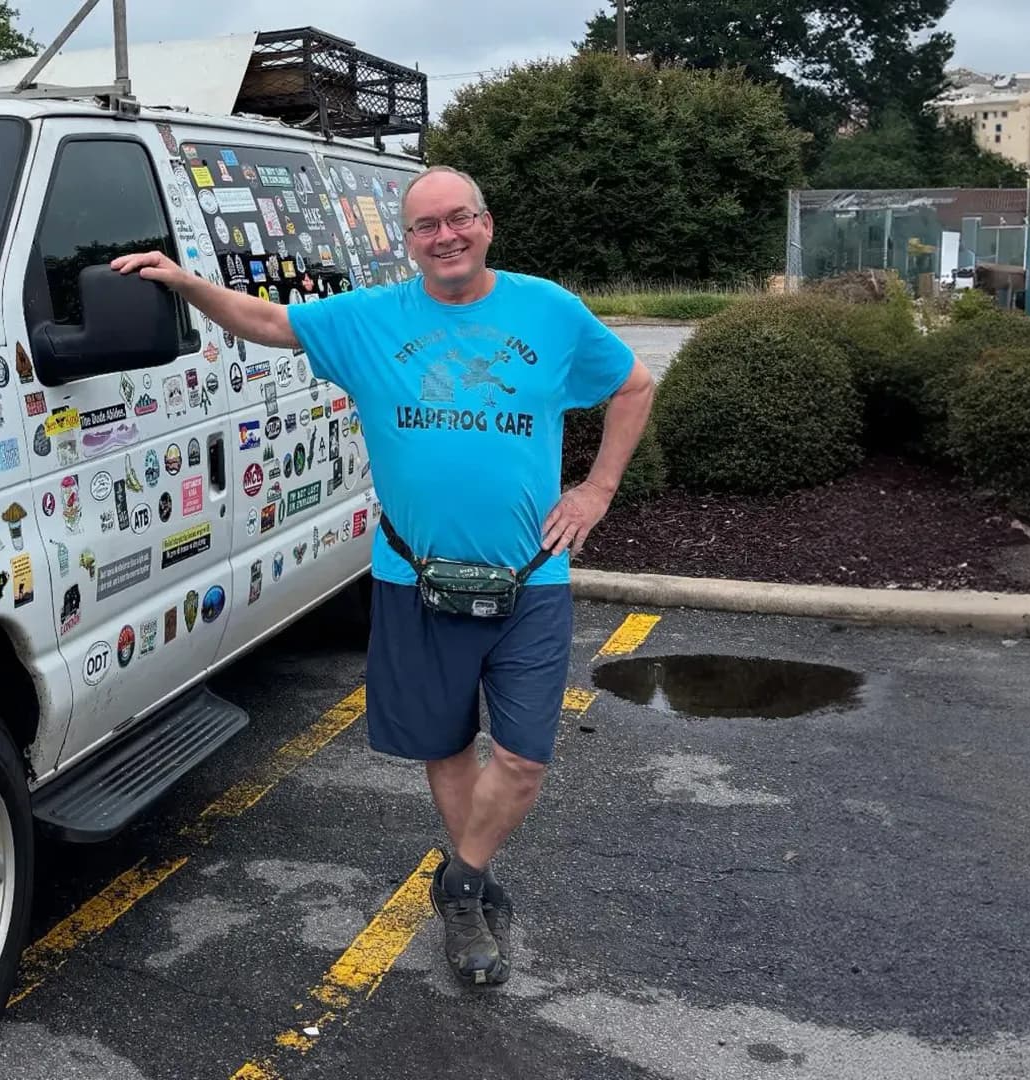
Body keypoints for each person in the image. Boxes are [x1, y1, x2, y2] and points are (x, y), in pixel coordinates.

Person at [111, 164, 655, 986]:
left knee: (522, 759)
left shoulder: (548, 310)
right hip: (412, 576)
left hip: (530, 581)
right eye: (426, 226)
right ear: (407, 242)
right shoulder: (369, 319)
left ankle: (459, 881)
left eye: (458, 219)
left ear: (486, 223)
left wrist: (597, 488)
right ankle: (471, 900)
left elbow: (633, 384)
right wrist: (183, 282)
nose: (445, 237)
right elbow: (264, 319)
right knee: (443, 745)